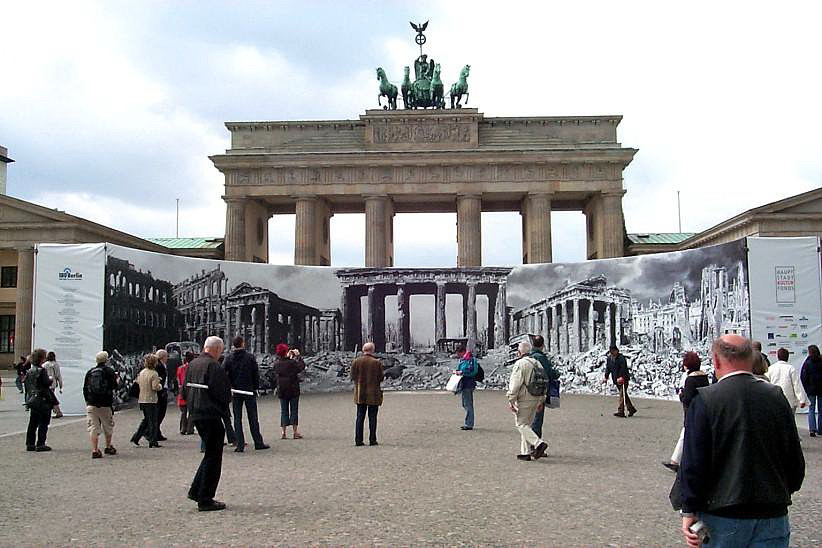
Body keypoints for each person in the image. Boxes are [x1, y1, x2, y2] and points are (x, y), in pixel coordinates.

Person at [679, 335, 805, 547]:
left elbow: (693, 463)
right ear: (751, 358)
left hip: (722, 515)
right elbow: (794, 460)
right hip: (772, 513)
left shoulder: (705, 401)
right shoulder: (776, 396)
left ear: (716, 361)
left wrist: (689, 509)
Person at [186, 336, 231, 511]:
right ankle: (205, 498)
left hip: (196, 412)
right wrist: (223, 408)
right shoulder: (213, 366)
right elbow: (222, 392)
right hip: (211, 414)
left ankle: (196, 490)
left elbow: (184, 389)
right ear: (217, 349)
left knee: (210, 454)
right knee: (214, 456)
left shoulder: (193, 364)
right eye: (220, 350)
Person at [662, 351, 708, 472]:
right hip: (702, 410)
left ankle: (677, 461)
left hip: (691, 411)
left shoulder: (690, 380)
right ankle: (675, 460)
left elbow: (687, 399)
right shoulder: (704, 377)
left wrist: (681, 395)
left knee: (687, 435)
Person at [223, 336, 269, 452]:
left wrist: (230, 385)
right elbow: (255, 374)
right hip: (249, 390)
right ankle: (258, 442)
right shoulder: (250, 357)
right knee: (253, 417)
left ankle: (240, 444)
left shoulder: (229, 358)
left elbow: (222, 373)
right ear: (243, 344)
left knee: (237, 418)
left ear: (234, 345)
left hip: (236, 391)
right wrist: (256, 387)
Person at [507, 341, 548, 461]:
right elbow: (544, 381)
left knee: (521, 424)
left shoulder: (520, 364)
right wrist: (541, 400)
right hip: (536, 397)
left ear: (519, 352)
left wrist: (511, 399)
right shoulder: (537, 363)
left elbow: (515, 384)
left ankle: (538, 443)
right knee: (527, 425)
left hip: (525, 398)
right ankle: (525, 452)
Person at [82, 351, 119, 459]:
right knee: (107, 425)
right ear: (106, 360)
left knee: (93, 427)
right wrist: (117, 380)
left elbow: (85, 388)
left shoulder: (90, 372)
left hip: (91, 403)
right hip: (105, 403)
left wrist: (88, 401)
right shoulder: (109, 371)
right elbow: (114, 386)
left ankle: (95, 449)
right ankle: (108, 446)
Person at [350, 342, 384, 446]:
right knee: (372, 417)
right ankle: (372, 439)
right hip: (373, 394)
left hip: (360, 393)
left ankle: (358, 440)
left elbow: (352, 376)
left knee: (360, 417)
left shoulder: (356, 362)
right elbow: (381, 378)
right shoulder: (377, 363)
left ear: (363, 350)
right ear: (372, 350)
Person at [529, 335, 560, 438]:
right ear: (542, 345)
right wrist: (556, 374)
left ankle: (530, 444)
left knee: (530, 418)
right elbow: (549, 373)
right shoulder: (541, 358)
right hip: (539, 391)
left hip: (528, 390)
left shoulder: (528, 357)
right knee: (537, 418)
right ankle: (536, 445)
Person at [23, 348, 54, 452]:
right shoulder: (41, 370)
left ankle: (30, 443)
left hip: (33, 399)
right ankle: (41, 443)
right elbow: (46, 383)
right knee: (43, 422)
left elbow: (27, 386)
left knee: (33, 422)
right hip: (43, 399)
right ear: (41, 358)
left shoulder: (29, 371)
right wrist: (50, 379)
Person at [130, 354, 163, 448]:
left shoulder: (142, 372)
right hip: (151, 399)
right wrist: (159, 384)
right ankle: (153, 440)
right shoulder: (154, 373)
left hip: (142, 399)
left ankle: (136, 436)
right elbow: (155, 387)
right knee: (153, 421)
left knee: (146, 419)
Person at [275, 343, 305, 440]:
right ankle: (295, 432)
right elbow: (301, 367)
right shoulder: (292, 363)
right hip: (293, 388)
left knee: (284, 410)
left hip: (282, 389)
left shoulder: (277, 364)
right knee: (294, 410)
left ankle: (283, 432)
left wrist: (289, 357)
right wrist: (298, 356)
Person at [766, 348, 808, 414]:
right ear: (788, 357)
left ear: (778, 357)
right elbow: (796, 385)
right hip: (789, 401)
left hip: (775, 400)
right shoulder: (791, 368)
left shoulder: (771, 369)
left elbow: (766, 384)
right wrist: (802, 400)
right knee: (790, 422)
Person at [603, 345, 636, 417]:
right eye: (611, 352)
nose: (612, 354)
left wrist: (621, 377)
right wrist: (606, 377)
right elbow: (608, 368)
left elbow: (623, 368)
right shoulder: (609, 359)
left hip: (624, 379)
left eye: (614, 352)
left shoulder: (621, 358)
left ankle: (621, 411)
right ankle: (631, 409)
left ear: (616, 351)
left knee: (622, 395)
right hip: (616, 380)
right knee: (624, 395)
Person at [801, 344, 822, 437]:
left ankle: (812, 429)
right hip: (821, 388)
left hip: (811, 389)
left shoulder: (807, 363)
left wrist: (806, 388)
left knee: (811, 409)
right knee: (821, 410)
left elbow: (803, 377)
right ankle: (821, 429)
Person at [454, 350, 478, 430]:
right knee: (465, 404)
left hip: (468, 384)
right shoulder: (463, 360)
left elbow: (473, 371)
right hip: (463, 384)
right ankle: (468, 422)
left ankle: (469, 424)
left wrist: (462, 372)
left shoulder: (471, 360)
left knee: (468, 404)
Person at [176, 351, 195, 435]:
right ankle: (190, 428)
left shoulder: (180, 368)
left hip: (182, 390)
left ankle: (183, 428)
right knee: (192, 411)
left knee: (183, 411)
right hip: (191, 390)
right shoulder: (193, 367)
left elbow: (178, 379)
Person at [154, 349, 170, 441]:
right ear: (162, 357)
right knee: (160, 413)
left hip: (163, 389)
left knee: (161, 413)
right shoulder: (159, 366)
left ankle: (157, 431)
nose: (167, 358)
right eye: (166, 356)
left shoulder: (162, 365)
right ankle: (154, 432)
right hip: (160, 391)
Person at [43, 351, 64, 418]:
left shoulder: (44, 365)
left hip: (46, 383)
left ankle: (57, 411)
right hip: (53, 383)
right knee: (51, 397)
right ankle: (56, 411)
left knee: (50, 398)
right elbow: (58, 375)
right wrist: (61, 385)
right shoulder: (56, 364)